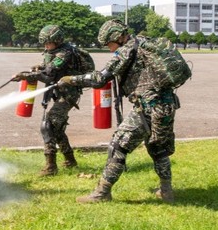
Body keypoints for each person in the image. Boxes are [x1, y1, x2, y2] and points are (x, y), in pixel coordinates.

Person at [58, 19, 181, 203]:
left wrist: (71, 79)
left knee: (118, 144)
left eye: (109, 43)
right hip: (166, 105)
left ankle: (102, 193)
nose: (109, 48)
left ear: (117, 37)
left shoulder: (127, 49)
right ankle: (166, 191)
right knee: (158, 148)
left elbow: (100, 78)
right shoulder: (143, 42)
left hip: (147, 107)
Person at [13, 25, 83, 176]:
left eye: (48, 43)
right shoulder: (52, 51)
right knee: (56, 128)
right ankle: (70, 160)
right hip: (58, 93)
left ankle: (50, 166)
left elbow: (49, 74)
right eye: (44, 43)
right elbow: (47, 68)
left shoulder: (65, 53)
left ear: (57, 41)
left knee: (48, 125)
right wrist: (38, 68)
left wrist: (27, 76)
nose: (46, 46)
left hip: (68, 94)